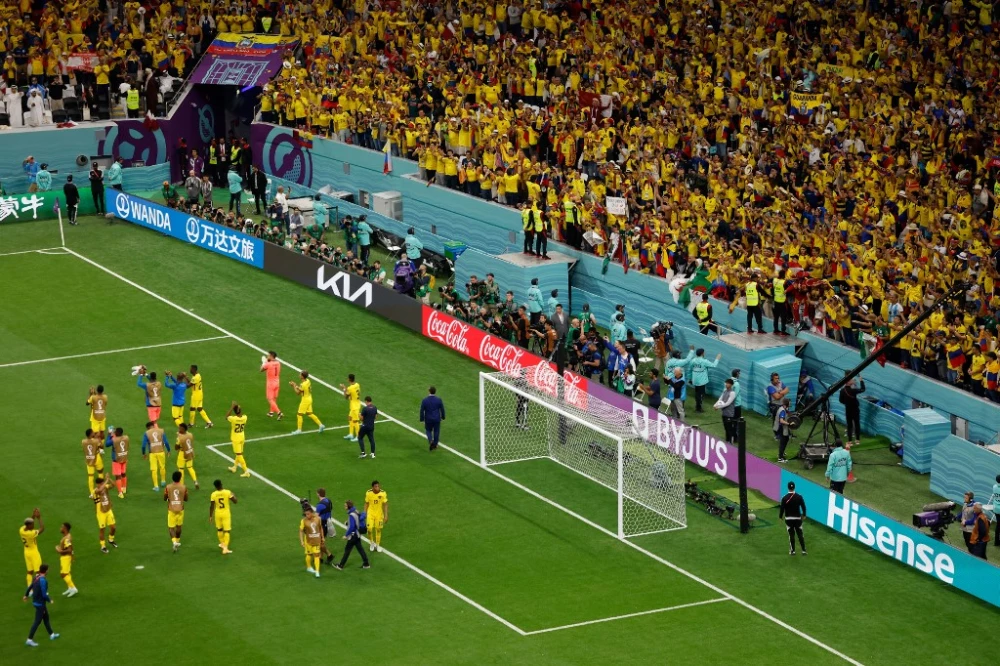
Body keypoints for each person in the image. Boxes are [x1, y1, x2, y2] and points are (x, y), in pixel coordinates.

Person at [23, 564, 58, 647]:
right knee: (37, 622)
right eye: (48, 569)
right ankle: (29, 640)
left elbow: (30, 586)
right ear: (46, 571)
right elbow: (44, 594)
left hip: (36, 602)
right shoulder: (43, 580)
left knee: (46, 618)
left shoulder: (36, 577)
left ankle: (52, 634)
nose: (48, 570)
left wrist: (26, 595)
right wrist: (50, 600)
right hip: (40, 604)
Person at [333, 500, 370, 571]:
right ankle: (366, 564)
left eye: (345, 506)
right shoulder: (356, 511)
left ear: (348, 507)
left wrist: (346, 535)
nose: (344, 507)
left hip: (353, 535)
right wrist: (348, 523)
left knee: (347, 550)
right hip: (357, 534)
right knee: (360, 549)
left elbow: (352, 527)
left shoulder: (351, 515)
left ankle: (340, 565)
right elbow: (357, 520)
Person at [290, 370, 325, 435]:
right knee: (310, 413)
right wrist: (296, 386)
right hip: (309, 398)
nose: (299, 375)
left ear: (302, 376)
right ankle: (321, 425)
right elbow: (303, 389)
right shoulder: (308, 381)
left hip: (305, 400)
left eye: (300, 374)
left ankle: (299, 430)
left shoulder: (302, 384)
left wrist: (293, 386)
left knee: (299, 415)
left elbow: (298, 393)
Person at [688, 347, 722, 412]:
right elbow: (714, 365)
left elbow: (690, 370)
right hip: (701, 381)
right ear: (702, 353)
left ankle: (697, 406)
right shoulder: (704, 361)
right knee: (701, 395)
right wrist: (717, 358)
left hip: (695, 380)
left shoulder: (693, 361)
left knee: (697, 394)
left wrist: (690, 378)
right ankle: (699, 409)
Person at [778, 481, 807, 556]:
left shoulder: (784, 498)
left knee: (791, 535)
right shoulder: (799, 496)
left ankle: (793, 551)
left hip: (789, 519)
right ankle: (803, 550)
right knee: (800, 534)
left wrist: (780, 517)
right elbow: (803, 506)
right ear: (794, 487)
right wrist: (804, 515)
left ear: (788, 488)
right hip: (797, 518)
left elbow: (782, 508)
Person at [209, 479, 237, 555]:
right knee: (227, 531)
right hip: (226, 514)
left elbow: (212, 506)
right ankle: (225, 548)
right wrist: (233, 494)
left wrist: (210, 516)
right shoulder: (227, 492)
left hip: (217, 514)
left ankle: (222, 544)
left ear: (215, 487)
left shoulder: (213, 494)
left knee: (219, 530)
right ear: (221, 484)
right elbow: (235, 501)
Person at [838, 374, 866, 448]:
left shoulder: (842, 390)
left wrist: (847, 403)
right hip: (855, 409)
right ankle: (857, 440)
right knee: (857, 424)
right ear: (848, 382)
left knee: (849, 425)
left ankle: (850, 441)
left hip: (848, 409)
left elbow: (841, 400)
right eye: (851, 380)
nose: (853, 380)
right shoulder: (853, 390)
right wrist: (861, 381)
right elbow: (863, 389)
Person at [164, 470, 188, 553]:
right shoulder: (184, 487)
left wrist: (168, 498)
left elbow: (165, 498)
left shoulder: (168, 487)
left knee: (171, 528)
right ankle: (177, 542)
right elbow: (186, 499)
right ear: (180, 478)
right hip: (180, 509)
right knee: (179, 527)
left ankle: (174, 542)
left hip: (171, 509)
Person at [92, 476, 117, 553]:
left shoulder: (105, 487)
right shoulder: (95, 491)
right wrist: (106, 481)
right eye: (101, 483)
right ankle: (103, 546)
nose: (103, 484)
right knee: (102, 529)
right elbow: (99, 490)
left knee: (113, 528)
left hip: (108, 510)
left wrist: (109, 479)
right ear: (97, 484)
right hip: (101, 513)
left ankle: (111, 539)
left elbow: (113, 485)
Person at [142, 420, 169, 490]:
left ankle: (156, 486)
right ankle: (163, 481)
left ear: (147, 428)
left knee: (154, 469)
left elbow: (143, 445)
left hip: (152, 453)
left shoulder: (147, 433)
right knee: (162, 467)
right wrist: (168, 450)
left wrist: (144, 453)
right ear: (153, 426)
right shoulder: (161, 431)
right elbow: (166, 442)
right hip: (161, 452)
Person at [299, 505, 325, 578]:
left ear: (312, 513)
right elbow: (301, 531)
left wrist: (322, 537)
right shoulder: (303, 521)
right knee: (309, 554)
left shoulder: (318, 519)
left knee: (316, 555)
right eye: (306, 514)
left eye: (308, 514)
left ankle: (317, 571)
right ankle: (309, 567)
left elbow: (320, 528)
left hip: (316, 540)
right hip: (308, 541)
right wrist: (302, 541)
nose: (307, 516)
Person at [20, 509, 45, 587]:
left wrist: (33, 515)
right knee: (38, 572)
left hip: (26, 552)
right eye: (32, 524)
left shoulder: (21, 530)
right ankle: (39, 589)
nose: (34, 526)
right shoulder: (31, 533)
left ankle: (29, 589)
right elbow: (42, 529)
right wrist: (39, 518)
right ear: (28, 526)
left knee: (29, 572)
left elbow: (29, 522)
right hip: (34, 553)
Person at [226, 402, 251, 477]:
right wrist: (237, 407)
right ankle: (234, 467)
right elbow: (240, 413)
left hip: (236, 439)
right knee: (239, 453)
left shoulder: (233, 419)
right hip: (242, 437)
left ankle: (246, 471)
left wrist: (231, 407)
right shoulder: (245, 417)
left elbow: (226, 416)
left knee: (239, 455)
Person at [365, 480, 389, 553]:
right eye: (376, 486)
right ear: (372, 487)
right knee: (369, 529)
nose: (378, 487)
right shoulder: (368, 493)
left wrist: (386, 515)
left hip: (379, 514)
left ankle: (377, 545)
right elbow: (366, 503)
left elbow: (385, 504)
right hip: (370, 513)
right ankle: (372, 543)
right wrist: (364, 513)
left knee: (378, 529)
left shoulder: (383, 493)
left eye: (378, 486)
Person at [419, 386, 445, 451]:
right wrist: (443, 417)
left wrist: (422, 419)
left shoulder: (425, 400)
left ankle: (430, 440)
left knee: (428, 430)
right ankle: (435, 444)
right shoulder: (438, 400)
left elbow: (422, 410)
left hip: (428, 419)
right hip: (436, 419)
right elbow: (442, 409)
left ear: (429, 391)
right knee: (436, 431)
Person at [55, 523, 77, 597]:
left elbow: (69, 549)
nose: (60, 528)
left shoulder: (67, 538)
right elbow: (71, 548)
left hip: (66, 558)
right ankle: (70, 588)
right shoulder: (66, 536)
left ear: (65, 528)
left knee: (63, 574)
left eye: (62, 527)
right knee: (66, 573)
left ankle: (73, 588)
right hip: (65, 557)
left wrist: (60, 551)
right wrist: (72, 556)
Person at [174, 423, 199, 489]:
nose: (178, 429)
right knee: (190, 467)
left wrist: (178, 437)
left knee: (181, 469)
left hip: (182, 454)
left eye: (180, 428)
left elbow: (176, 447)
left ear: (183, 429)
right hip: (190, 452)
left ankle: (181, 485)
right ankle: (195, 481)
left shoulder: (179, 438)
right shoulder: (190, 434)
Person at [714, 378, 738, 443]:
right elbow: (720, 399)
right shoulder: (725, 391)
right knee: (726, 428)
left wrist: (718, 407)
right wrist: (715, 405)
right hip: (724, 413)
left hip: (729, 414)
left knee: (729, 429)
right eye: (726, 383)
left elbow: (728, 403)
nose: (726, 384)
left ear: (731, 385)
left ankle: (730, 442)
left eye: (728, 383)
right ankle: (727, 441)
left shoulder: (732, 393)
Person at [82, 429, 104, 497]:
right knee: (100, 472)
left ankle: (92, 493)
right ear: (90, 434)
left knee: (90, 476)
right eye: (92, 432)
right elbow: (101, 446)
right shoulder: (96, 441)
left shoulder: (83, 441)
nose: (94, 433)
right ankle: (101, 489)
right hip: (97, 458)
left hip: (89, 460)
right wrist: (99, 438)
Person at [108, 427, 130, 498]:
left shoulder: (114, 439)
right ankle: (124, 488)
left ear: (117, 433)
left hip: (116, 460)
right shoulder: (126, 438)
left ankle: (120, 493)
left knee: (118, 476)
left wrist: (109, 435)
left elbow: (107, 444)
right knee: (123, 473)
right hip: (124, 458)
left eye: (115, 432)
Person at [260, 351, 283, 419]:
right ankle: (271, 413)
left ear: (271, 356)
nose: (267, 356)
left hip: (270, 384)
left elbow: (261, 370)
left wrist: (264, 362)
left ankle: (279, 413)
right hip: (277, 382)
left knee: (270, 399)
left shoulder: (268, 364)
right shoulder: (278, 363)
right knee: (274, 398)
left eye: (268, 355)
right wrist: (267, 361)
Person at [340, 374, 361, 443]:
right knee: (350, 418)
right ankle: (351, 434)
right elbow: (352, 392)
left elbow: (346, 397)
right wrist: (347, 389)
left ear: (349, 379)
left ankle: (358, 436)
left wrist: (343, 388)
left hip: (355, 407)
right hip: (356, 404)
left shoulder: (350, 388)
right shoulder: (357, 384)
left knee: (355, 421)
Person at [774, 398, 792, 463]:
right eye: (789, 403)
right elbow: (781, 421)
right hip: (781, 428)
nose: (790, 404)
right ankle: (780, 458)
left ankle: (781, 453)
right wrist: (789, 424)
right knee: (783, 442)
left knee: (786, 439)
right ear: (786, 404)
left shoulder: (782, 408)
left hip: (781, 427)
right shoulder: (782, 411)